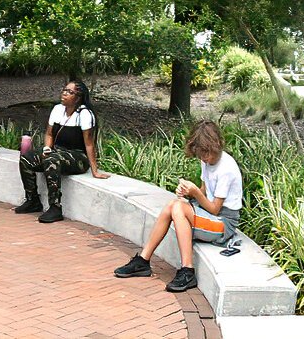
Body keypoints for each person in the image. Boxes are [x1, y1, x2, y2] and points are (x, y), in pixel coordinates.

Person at [114, 121, 243, 292]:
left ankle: (187, 271)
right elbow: (204, 192)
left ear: (216, 145)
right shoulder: (206, 162)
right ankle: (143, 261)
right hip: (209, 215)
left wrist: (195, 192)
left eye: (207, 154)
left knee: (177, 208)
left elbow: (215, 209)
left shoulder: (226, 168)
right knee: (171, 206)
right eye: (200, 154)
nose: (204, 158)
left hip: (223, 223)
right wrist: (186, 191)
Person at [13, 79, 111, 223]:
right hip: (57, 151)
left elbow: (89, 144)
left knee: (51, 160)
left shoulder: (84, 114)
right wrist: (47, 147)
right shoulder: (58, 109)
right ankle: (32, 200)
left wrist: (94, 170)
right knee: (27, 158)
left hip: (77, 157)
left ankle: (55, 208)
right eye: (64, 90)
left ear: (78, 98)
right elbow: (49, 134)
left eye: (70, 92)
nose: (64, 94)